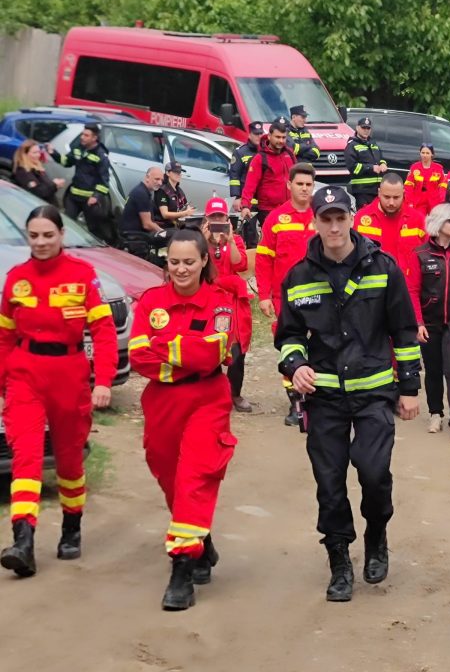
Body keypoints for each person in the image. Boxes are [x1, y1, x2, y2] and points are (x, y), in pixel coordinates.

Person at [275, 185, 421, 603]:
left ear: (352, 218)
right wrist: (296, 365)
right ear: (315, 221)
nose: (334, 226)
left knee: (374, 474)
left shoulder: (384, 267)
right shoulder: (300, 274)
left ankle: (377, 533)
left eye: (341, 217)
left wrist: (409, 388)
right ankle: (339, 558)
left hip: (374, 391)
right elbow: (288, 335)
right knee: (330, 482)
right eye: (327, 218)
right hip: (324, 397)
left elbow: (404, 332)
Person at [0, 205, 117, 577]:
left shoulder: (83, 276)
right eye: (34, 236)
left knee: (68, 459)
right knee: (27, 457)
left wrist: (103, 382)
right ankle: (23, 540)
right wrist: (3, 384)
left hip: (69, 375)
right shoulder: (16, 279)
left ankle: (71, 526)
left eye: (48, 235)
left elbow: (103, 332)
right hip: (25, 376)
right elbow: (4, 338)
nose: (41, 242)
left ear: (61, 235)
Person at [128, 228, 242, 610]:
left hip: (208, 399)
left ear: (204, 260)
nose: (180, 269)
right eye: (174, 262)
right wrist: (184, 354)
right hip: (161, 404)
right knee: (168, 475)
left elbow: (213, 355)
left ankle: (181, 569)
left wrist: (166, 348)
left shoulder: (222, 304)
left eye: (189, 262)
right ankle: (200, 539)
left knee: (195, 476)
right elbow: (139, 357)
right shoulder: (151, 301)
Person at [406, 203, 450, 440]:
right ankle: (435, 412)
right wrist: (418, 322)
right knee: (433, 369)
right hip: (430, 322)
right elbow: (413, 290)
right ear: (439, 224)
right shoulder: (420, 254)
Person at [255, 163, 317, 425]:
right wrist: (264, 295)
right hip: (285, 299)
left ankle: (317, 401)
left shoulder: (321, 216)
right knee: (290, 348)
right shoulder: (276, 219)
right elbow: (264, 258)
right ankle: (296, 403)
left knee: (319, 347)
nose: (304, 189)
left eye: (308, 184)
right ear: (289, 185)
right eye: (299, 184)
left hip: (319, 296)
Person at [201, 197, 253, 414]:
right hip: (207, 298)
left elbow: (239, 264)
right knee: (207, 348)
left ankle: (235, 393)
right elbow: (198, 265)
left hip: (231, 300)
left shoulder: (237, 240)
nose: (217, 221)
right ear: (206, 219)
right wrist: (203, 242)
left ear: (227, 218)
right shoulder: (197, 241)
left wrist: (229, 240)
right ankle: (209, 394)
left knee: (236, 349)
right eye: (213, 217)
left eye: (220, 217)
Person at [354, 172, 427, 274]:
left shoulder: (418, 220)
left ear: (403, 193)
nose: (391, 203)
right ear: (379, 193)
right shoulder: (361, 219)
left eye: (396, 197)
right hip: (375, 285)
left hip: (407, 287)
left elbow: (428, 256)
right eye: (387, 197)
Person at [50, 123, 111, 241]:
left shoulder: (101, 155)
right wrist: (53, 153)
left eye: (86, 135)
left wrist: (96, 197)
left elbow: (104, 181)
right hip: (73, 196)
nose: (82, 137)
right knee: (66, 224)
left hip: (89, 200)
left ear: (94, 138)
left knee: (94, 229)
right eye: (82, 134)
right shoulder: (79, 148)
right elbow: (66, 161)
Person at [241, 117, 296, 226]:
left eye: (284, 137)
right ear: (269, 136)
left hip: (290, 207)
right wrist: (245, 206)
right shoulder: (260, 158)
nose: (281, 141)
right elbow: (250, 185)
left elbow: (297, 178)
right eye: (278, 137)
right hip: (268, 210)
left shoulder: (289, 154)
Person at [229, 120, 263, 248]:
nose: (259, 136)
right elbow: (234, 176)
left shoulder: (266, 151)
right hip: (248, 201)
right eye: (256, 134)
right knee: (250, 234)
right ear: (249, 134)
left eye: (261, 133)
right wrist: (236, 197)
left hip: (264, 200)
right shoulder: (240, 152)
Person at [120, 168, 167, 260]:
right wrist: (162, 232)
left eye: (161, 180)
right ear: (147, 177)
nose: (160, 183)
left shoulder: (143, 191)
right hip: (135, 237)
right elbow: (147, 224)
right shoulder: (141, 194)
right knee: (169, 239)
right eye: (157, 179)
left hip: (136, 234)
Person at [344, 116, 386, 208]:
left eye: (368, 128)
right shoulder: (352, 145)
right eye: (363, 128)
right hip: (362, 191)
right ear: (357, 128)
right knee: (365, 219)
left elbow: (381, 158)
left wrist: (383, 164)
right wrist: (371, 168)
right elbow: (352, 167)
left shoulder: (373, 143)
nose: (366, 130)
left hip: (377, 190)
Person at [12, 140, 64, 205]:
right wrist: (54, 185)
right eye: (35, 153)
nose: (38, 155)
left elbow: (45, 186)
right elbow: (38, 192)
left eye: (39, 152)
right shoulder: (23, 172)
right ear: (24, 154)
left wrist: (55, 184)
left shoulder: (37, 167)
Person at [404, 143, 447, 215]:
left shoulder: (438, 168)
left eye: (427, 153)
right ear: (420, 153)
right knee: (419, 220)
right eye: (423, 153)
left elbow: (443, 186)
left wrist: (442, 201)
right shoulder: (414, 167)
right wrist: (409, 202)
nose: (425, 155)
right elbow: (408, 186)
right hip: (418, 201)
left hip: (434, 201)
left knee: (435, 221)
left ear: (432, 154)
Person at [154, 161, 196, 228]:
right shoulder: (162, 190)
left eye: (179, 172)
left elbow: (186, 205)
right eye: (176, 172)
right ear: (168, 173)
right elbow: (165, 214)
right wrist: (185, 213)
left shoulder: (179, 190)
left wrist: (189, 210)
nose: (179, 174)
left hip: (177, 224)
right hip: (164, 226)